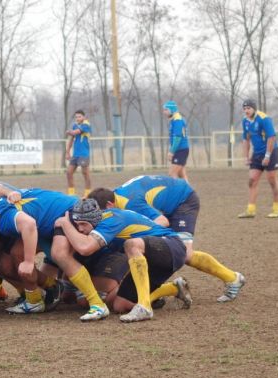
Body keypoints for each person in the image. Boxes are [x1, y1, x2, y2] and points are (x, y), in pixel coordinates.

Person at [88, 175, 246, 302]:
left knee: (185, 254)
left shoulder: (130, 203)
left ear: (109, 205)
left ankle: (233, 278)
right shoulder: (115, 200)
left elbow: (162, 222)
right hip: (167, 202)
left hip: (182, 200)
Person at [55, 199, 190, 323]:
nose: (80, 229)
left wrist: (65, 224)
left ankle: (144, 307)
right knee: (120, 305)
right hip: (150, 259)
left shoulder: (111, 220)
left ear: (95, 219)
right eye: (77, 224)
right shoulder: (102, 222)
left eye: (83, 224)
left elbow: (85, 248)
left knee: (131, 245)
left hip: (171, 245)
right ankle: (173, 288)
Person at [238, 99, 278, 218]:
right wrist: (246, 157)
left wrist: (267, 155)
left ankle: (276, 209)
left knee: (272, 180)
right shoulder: (245, 121)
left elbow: (271, 137)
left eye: (249, 108)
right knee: (252, 180)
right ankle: (250, 210)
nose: (246, 111)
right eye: (245, 109)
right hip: (257, 154)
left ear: (254, 109)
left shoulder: (264, 119)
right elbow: (246, 139)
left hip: (271, 152)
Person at [65, 110, 92, 197]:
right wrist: (68, 152)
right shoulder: (74, 125)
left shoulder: (86, 124)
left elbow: (75, 132)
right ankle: (71, 194)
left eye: (79, 116)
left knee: (85, 173)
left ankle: (87, 194)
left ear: (83, 117)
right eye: (76, 117)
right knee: (69, 172)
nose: (77, 118)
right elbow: (71, 139)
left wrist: (69, 132)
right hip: (75, 154)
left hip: (84, 154)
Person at [163, 101, 189, 181]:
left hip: (180, 150)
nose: (164, 112)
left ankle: (180, 192)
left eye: (166, 110)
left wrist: (171, 152)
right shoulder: (174, 120)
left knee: (172, 174)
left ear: (172, 110)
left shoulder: (177, 120)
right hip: (181, 150)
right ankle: (190, 193)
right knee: (181, 174)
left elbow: (177, 138)